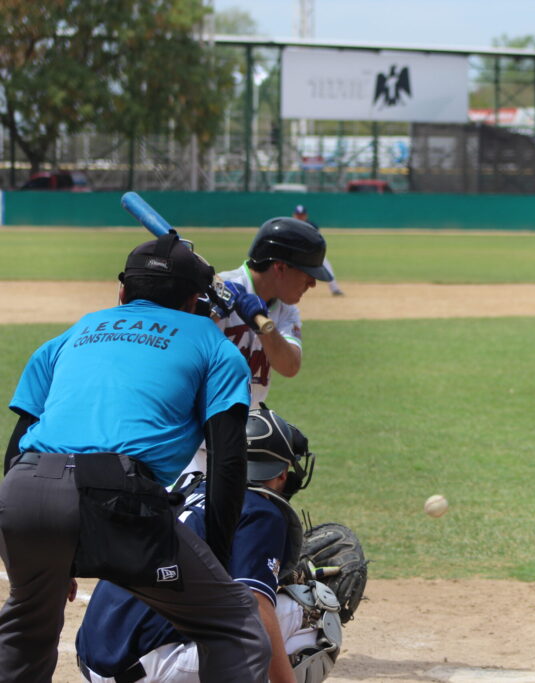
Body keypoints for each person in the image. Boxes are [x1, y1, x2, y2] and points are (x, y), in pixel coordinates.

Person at [0, 232, 268, 682]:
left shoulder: (72, 333)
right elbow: (226, 461)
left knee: (26, 629)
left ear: (121, 291)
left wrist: (51, 552)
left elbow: (17, 447)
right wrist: (218, 561)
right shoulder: (213, 344)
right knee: (235, 626)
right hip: (117, 495)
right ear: (192, 302)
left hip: (24, 491)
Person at [77, 406, 328, 683]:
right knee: (313, 610)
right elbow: (255, 606)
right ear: (282, 473)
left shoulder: (184, 491)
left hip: (96, 663)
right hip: (156, 672)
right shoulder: (260, 510)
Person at [186, 217, 332, 473]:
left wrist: (262, 326)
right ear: (280, 267)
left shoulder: (287, 311)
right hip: (190, 445)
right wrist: (213, 312)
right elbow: (177, 349)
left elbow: (289, 366)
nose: (312, 284)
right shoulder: (216, 291)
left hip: (240, 444)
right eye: (308, 274)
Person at [293, 204, 344, 296]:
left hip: (312, 252)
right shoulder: (290, 226)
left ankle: (335, 289)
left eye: (302, 215)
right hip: (297, 254)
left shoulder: (312, 226)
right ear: (294, 215)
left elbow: (318, 240)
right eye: (298, 215)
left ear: (306, 215)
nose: (300, 217)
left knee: (327, 265)